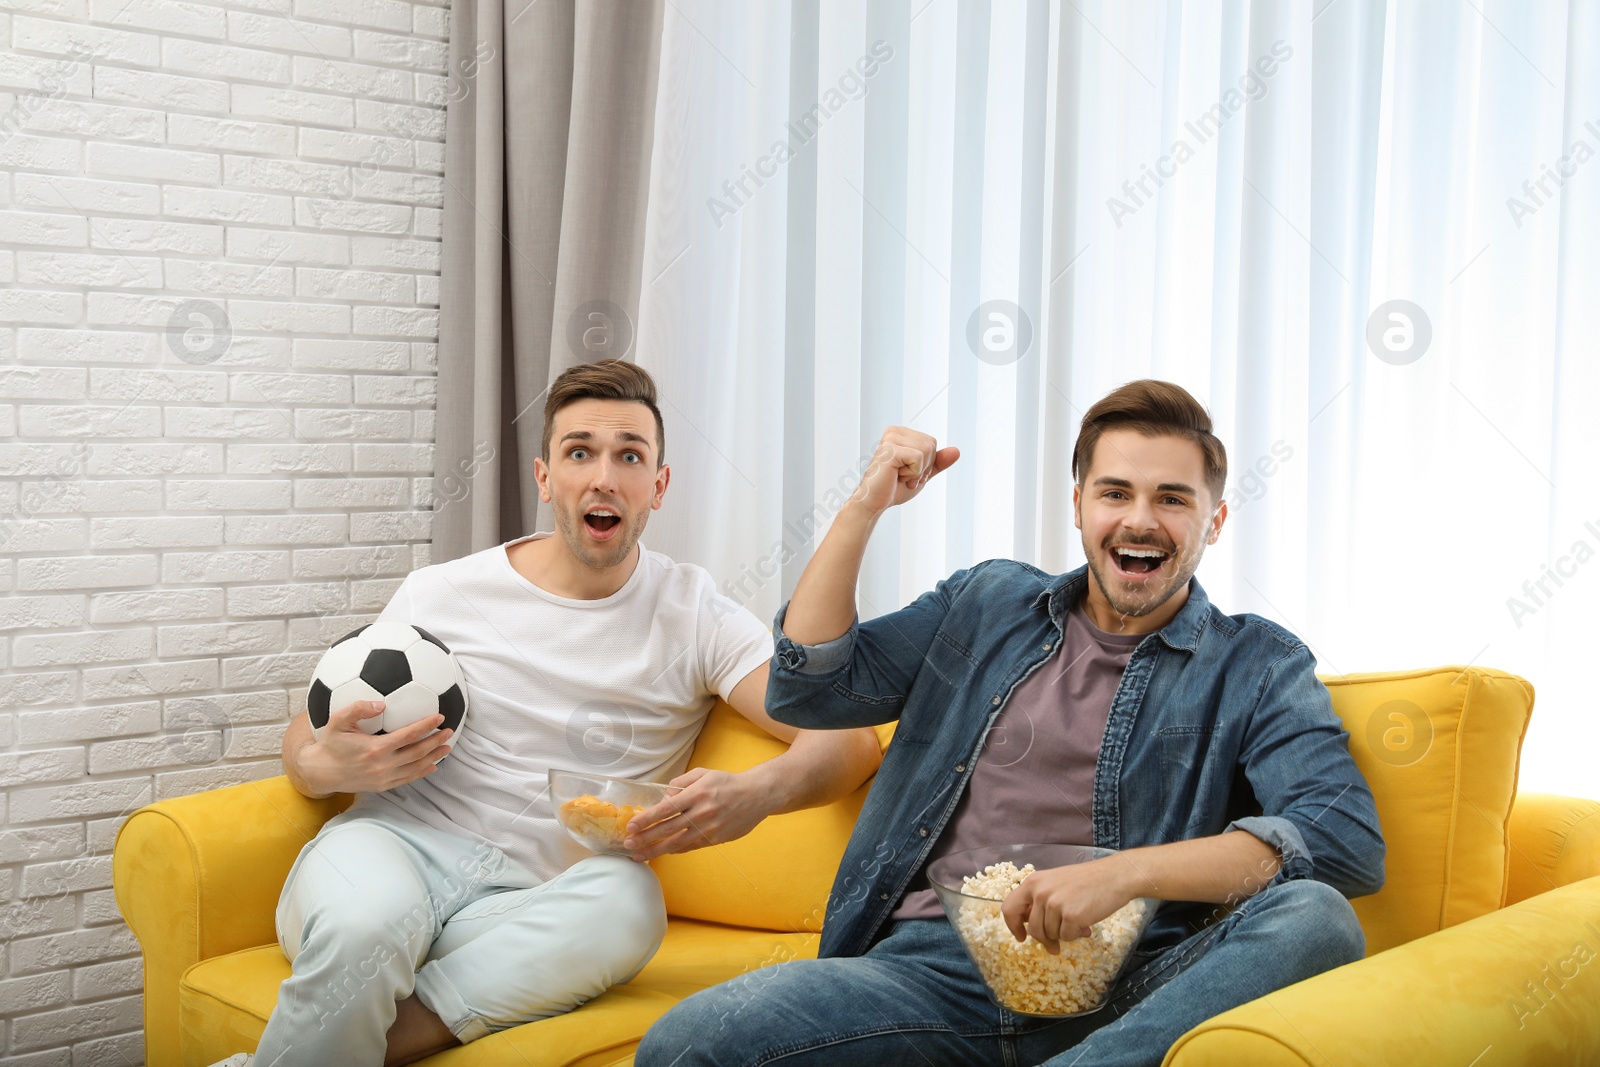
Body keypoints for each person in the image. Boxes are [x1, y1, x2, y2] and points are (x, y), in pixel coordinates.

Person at [638, 379, 1384, 1067]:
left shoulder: (1256, 663)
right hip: (928, 979)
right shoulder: (987, 603)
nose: (1139, 520)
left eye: (1173, 499)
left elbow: (1342, 840)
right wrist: (862, 507)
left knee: (1315, 919)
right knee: (684, 1045)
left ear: (1213, 520)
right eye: (1115, 491)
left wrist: (1122, 875)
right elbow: (809, 690)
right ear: (1078, 504)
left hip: (1127, 991)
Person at [212, 360, 882, 1067]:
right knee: (370, 922)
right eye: (579, 451)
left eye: (630, 455)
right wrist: (322, 762)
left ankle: (340, 1041)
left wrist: (757, 792)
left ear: (658, 485)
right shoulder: (443, 591)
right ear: (544, 477)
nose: (603, 476)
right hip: (390, 853)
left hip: (532, 907)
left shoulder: (695, 613)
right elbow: (312, 725)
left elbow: (848, 735)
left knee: (630, 901)